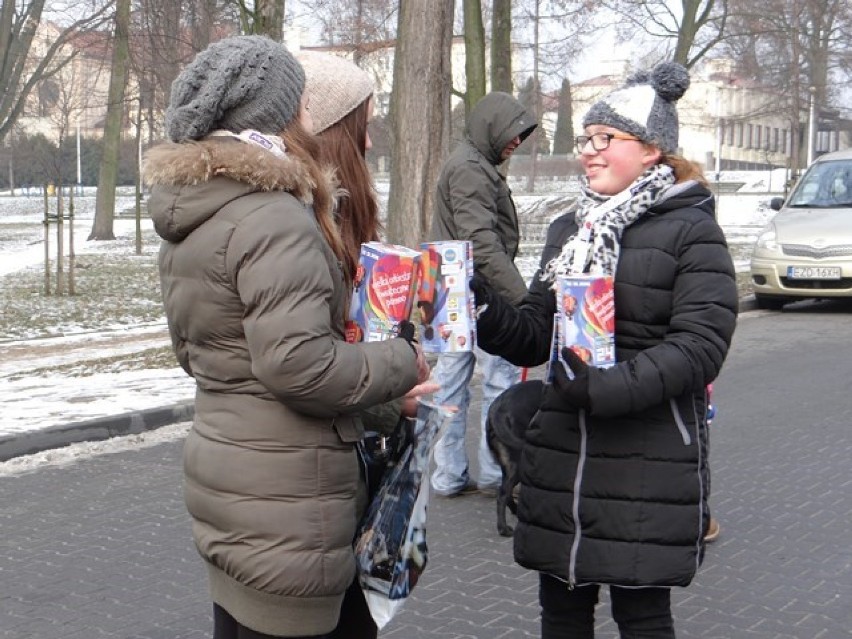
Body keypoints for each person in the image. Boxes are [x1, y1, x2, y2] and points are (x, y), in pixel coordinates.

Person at [144, 35, 428, 639]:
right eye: (298, 103)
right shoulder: (274, 215)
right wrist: (402, 360)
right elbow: (299, 367)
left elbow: (202, 355)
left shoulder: (195, 212)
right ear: (276, 111)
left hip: (231, 486)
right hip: (291, 503)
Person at [470, 62, 738, 637]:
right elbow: (537, 332)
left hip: (647, 457)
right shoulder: (574, 230)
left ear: (651, 151)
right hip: (564, 456)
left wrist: (602, 388)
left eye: (604, 139)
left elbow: (699, 346)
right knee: (561, 613)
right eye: (585, 140)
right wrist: (481, 305)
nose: (588, 152)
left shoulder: (692, 229)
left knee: (641, 616)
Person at [428, 91, 537, 497]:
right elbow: (482, 242)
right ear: (491, 127)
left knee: (452, 382)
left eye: (521, 135)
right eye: (512, 133)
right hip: (476, 290)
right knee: (497, 380)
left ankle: (451, 474)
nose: (516, 142)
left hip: (452, 287)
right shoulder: (472, 168)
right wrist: (522, 300)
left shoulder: (473, 163)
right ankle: (493, 473)